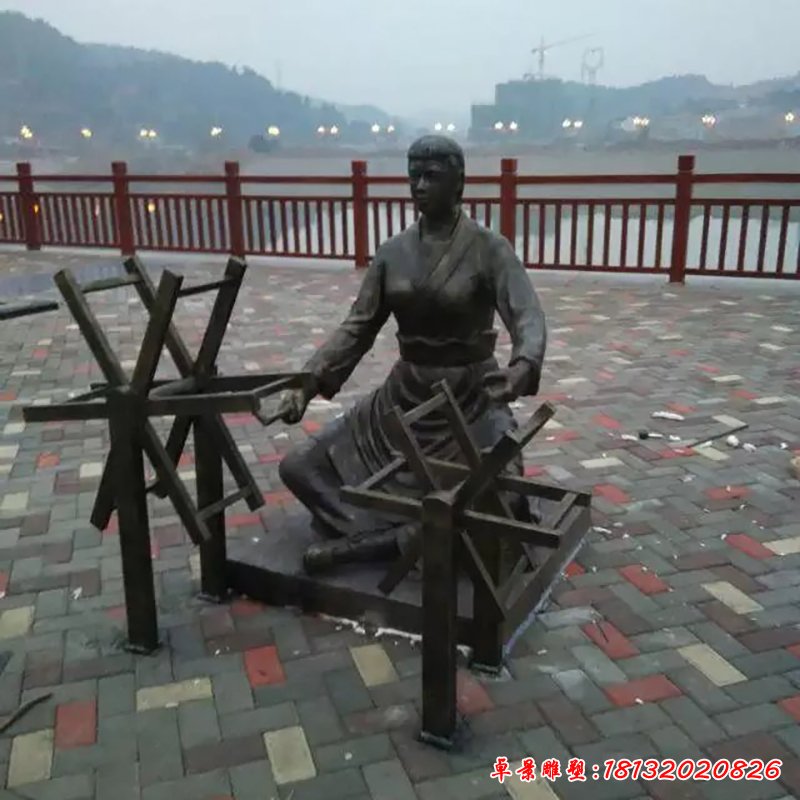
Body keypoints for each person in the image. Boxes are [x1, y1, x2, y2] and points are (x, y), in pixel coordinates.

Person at [277, 135, 547, 574]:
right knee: (299, 467)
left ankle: (380, 543)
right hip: (403, 400)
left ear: (458, 183)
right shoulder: (393, 253)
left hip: (471, 400)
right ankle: (400, 536)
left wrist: (522, 367)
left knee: (502, 494)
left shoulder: (488, 248)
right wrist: (307, 383)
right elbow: (358, 326)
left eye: (431, 177)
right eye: (414, 176)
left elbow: (527, 315)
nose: (419, 186)